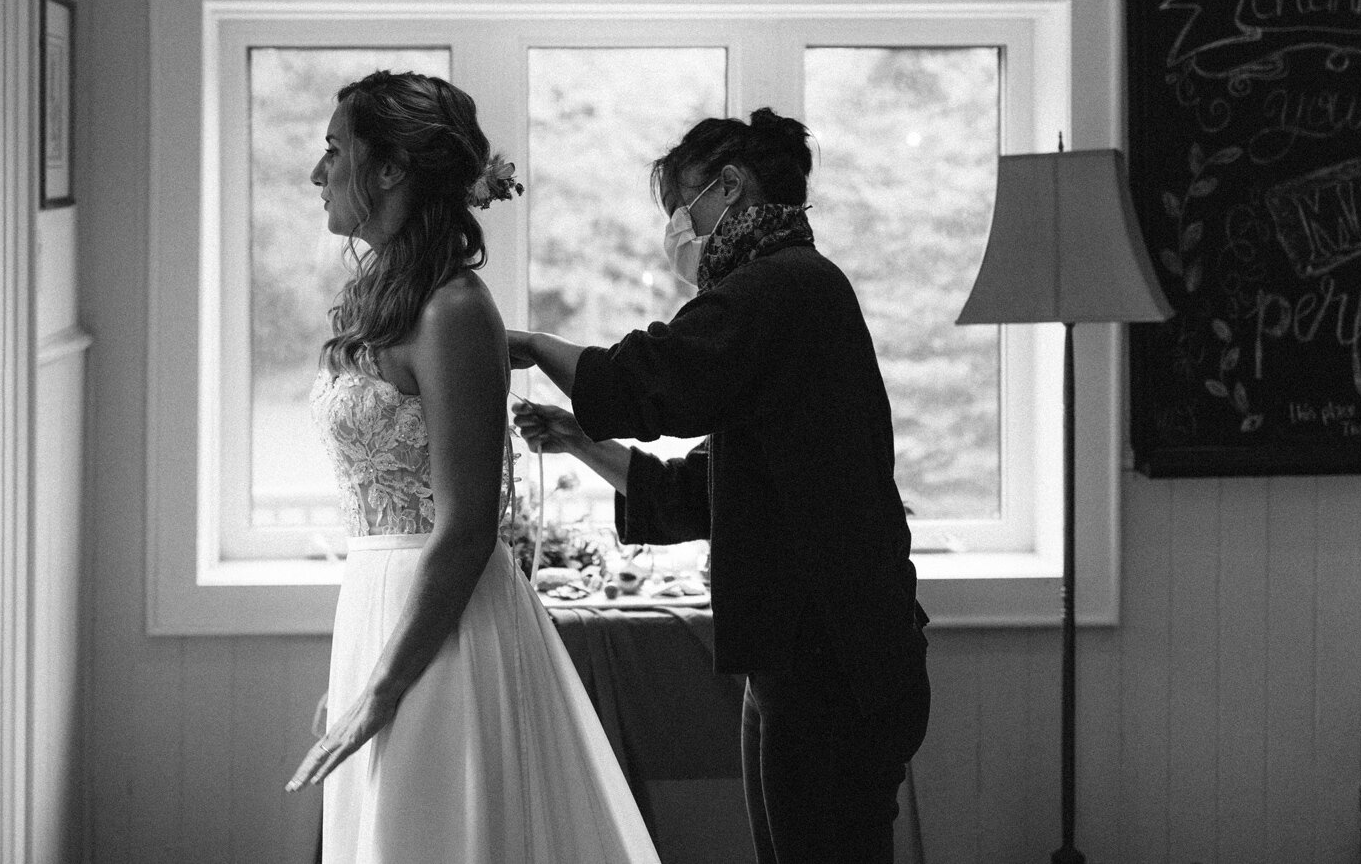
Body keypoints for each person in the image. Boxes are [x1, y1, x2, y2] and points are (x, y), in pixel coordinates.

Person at [511, 107, 931, 864]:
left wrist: (537, 344)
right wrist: (577, 436)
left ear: (729, 187)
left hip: (829, 667)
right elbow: (697, 489)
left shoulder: (783, 287)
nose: (676, 230)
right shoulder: (787, 293)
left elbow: (652, 377)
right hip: (795, 660)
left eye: (680, 207)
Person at [283, 70, 658, 864]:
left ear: (389, 169)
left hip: (446, 628)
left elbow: (465, 526)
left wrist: (383, 686)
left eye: (334, 150)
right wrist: (361, 664)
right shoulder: (377, 295)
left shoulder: (453, 309)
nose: (319, 174)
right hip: (377, 606)